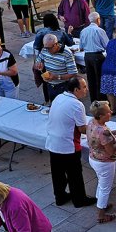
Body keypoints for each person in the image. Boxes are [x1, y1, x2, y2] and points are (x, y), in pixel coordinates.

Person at [45, 76, 93, 208]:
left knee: (57, 174)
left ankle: (60, 197)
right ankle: (79, 200)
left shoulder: (59, 97)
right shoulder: (77, 105)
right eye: (84, 87)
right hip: (68, 145)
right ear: (76, 89)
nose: (86, 90)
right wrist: (95, 127)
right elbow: (82, 128)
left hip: (53, 142)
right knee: (74, 175)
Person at [86, 101, 116, 224]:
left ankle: (100, 202)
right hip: (105, 162)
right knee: (105, 188)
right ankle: (101, 214)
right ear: (100, 116)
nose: (111, 112)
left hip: (93, 158)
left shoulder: (91, 122)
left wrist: (115, 132)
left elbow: (99, 136)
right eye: (108, 112)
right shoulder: (103, 131)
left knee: (101, 183)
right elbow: (111, 151)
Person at [36, 33, 79, 102]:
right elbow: (39, 59)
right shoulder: (45, 49)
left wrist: (57, 77)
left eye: (49, 48)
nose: (47, 50)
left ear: (56, 44)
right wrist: (39, 64)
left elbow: (73, 73)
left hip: (63, 86)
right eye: (46, 48)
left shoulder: (67, 53)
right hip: (50, 85)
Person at [79, 12, 110, 103]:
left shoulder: (83, 31)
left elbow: (81, 47)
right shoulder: (99, 30)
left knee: (91, 79)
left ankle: (94, 100)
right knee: (100, 79)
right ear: (98, 20)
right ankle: (102, 100)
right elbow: (107, 45)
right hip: (97, 56)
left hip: (87, 56)